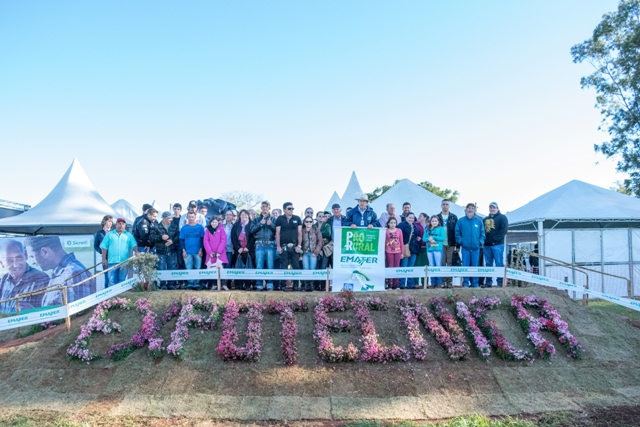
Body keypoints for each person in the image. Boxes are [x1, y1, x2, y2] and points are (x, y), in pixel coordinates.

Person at [25, 236, 96, 305]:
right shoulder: (61, 274)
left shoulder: (72, 273)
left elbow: (79, 313)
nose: (32, 262)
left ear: (45, 252)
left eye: (32, 256)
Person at [0, 240, 49, 314]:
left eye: (19, 258)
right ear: (1, 263)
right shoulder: (3, 281)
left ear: (25, 255)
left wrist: (33, 311)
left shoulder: (42, 279)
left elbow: (52, 314)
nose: (15, 265)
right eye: (9, 260)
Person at [100, 218, 139, 288]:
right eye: (119, 223)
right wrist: (103, 259)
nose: (121, 225)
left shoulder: (128, 235)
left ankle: (121, 298)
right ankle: (112, 298)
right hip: (112, 262)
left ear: (125, 225)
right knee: (111, 282)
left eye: (123, 224)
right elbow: (104, 247)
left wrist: (136, 252)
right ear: (116, 225)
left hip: (124, 263)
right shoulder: (109, 234)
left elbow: (134, 244)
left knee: (122, 281)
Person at [455, 203, 485, 288]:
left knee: (475, 266)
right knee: (466, 266)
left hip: (476, 248)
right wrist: (461, 241)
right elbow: (457, 233)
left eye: (472, 208)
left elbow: (483, 233)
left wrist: (480, 242)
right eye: (469, 208)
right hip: (465, 248)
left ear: (475, 210)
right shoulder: (461, 221)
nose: (470, 210)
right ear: (466, 210)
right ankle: (465, 283)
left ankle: (475, 283)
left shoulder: (479, 221)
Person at [250, 201, 276, 291]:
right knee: (259, 265)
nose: (264, 208)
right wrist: (260, 224)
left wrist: (271, 225)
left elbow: (278, 232)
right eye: (263, 206)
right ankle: (259, 284)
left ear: (269, 208)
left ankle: (269, 284)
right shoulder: (256, 220)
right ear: (261, 208)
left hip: (270, 245)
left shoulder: (273, 220)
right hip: (259, 245)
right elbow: (252, 230)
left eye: (266, 206)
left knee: (270, 265)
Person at [276, 202, 302, 291]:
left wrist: (299, 245)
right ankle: (282, 285)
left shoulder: (297, 218)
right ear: (284, 210)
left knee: (296, 265)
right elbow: (277, 233)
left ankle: (295, 285)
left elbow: (300, 233)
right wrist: (278, 246)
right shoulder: (280, 219)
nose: (291, 210)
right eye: (289, 208)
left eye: (292, 208)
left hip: (295, 246)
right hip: (284, 246)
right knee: (283, 266)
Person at [150, 211, 179, 290]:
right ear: (165, 218)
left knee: (172, 268)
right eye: (170, 218)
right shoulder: (156, 227)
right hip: (160, 252)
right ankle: (162, 284)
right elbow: (151, 238)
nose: (171, 219)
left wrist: (172, 241)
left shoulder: (174, 226)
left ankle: (171, 284)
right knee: (161, 268)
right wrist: (161, 237)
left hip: (172, 251)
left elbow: (178, 236)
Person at [483, 202, 509, 288]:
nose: (492, 209)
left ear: (497, 208)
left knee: (499, 263)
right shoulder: (485, 219)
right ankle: (488, 282)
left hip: (497, 245)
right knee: (488, 264)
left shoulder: (502, 218)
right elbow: (482, 231)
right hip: (487, 246)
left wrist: (494, 239)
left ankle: (500, 283)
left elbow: (503, 230)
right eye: (490, 207)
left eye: (494, 207)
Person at [180, 212, 205, 290]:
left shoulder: (200, 227)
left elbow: (202, 239)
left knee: (198, 267)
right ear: (187, 218)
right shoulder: (184, 228)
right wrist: (183, 250)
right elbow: (181, 240)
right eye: (189, 217)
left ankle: (197, 284)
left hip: (198, 251)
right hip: (187, 252)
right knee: (188, 268)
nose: (191, 218)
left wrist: (201, 249)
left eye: (192, 217)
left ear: (195, 217)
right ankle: (190, 284)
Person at [437, 199, 459, 288]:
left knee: (449, 262)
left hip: (451, 243)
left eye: (447, 204)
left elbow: (457, 232)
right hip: (440, 244)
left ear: (449, 206)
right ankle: (442, 281)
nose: (445, 206)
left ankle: (449, 282)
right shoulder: (437, 217)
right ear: (441, 205)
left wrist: (458, 245)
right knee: (442, 262)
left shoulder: (454, 217)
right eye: (443, 204)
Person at [204, 215, 229, 290]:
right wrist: (209, 252)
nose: (214, 223)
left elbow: (223, 240)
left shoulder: (221, 229)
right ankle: (214, 284)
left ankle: (223, 284)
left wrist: (219, 251)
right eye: (212, 222)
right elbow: (206, 241)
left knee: (221, 268)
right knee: (212, 268)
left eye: (215, 222)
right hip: (211, 254)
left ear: (218, 222)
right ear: (210, 223)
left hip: (220, 253)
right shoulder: (208, 230)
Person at [231, 210, 255, 291]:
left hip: (249, 250)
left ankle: (248, 284)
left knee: (249, 267)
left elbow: (253, 237)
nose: (244, 216)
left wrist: (248, 247)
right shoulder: (236, 225)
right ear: (239, 216)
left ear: (248, 216)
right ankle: (240, 284)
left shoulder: (252, 224)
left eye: (245, 215)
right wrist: (238, 248)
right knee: (239, 267)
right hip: (239, 250)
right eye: (242, 215)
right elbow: (233, 238)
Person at [398, 212, 420, 289]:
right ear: (406, 217)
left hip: (413, 248)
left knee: (411, 266)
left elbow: (416, 235)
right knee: (404, 266)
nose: (411, 219)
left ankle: (410, 284)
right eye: (410, 217)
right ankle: (402, 284)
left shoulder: (415, 226)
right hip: (405, 248)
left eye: (413, 218)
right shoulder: (402, 225)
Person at [301, 215, 322, 292]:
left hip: (313, 253)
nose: (308, 223)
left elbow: (320, 241)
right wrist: (300, 254)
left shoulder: (316, 230)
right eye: (307, 221)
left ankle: (312, 287)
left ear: (313, 222)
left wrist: (316, 252)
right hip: (304, 253)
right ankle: (306, 286)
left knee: (312, 270)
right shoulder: (302, 231)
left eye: (310, 221)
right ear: (304, 222)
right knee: (305, 269)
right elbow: (300, 242)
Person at [425, 215, 446, 288]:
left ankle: (439, 282)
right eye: (432, 221)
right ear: (430, 222)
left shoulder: (441, 229)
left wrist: (434, 237)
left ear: (438, 222)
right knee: (431, 265)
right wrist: (428, 239)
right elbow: (424, 238)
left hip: (438, 249)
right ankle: (432, 282)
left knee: (438, 265)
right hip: (429, 250)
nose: (434, 222)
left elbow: (442, 238)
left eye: (435, 221)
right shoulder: (427, 229)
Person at [94, 215, 113, 288]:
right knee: (107, 277)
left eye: (111, 221)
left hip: (114, 257)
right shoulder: (99, 233)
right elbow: (96, 245)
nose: (110, 223)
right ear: (104, 222)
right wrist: (101, 251)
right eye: (109, 221)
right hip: (105, 258)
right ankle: (107, 295)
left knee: (113, 277)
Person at [384, 217, 404, 290]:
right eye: (391, 223)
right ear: (388, 223)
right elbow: (384, 242)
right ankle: (389, 284)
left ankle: (396, 284)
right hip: (389, 251)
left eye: (394, 223)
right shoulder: (386, 231)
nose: (393, 224)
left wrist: (402, 252)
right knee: (390, 267)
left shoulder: (399, 231)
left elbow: (401, 242)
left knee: (397, 267)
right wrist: (384, 253)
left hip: (398, 251)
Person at [172, 203, 186, 272]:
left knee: (180, 261)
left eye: (178, 209)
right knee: (172, 262)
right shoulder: (170, 219)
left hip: (179, 243)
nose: (176, 210)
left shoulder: (183, 219)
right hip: (171, 243)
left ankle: (182, 280)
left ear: (180, 210)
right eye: (175, 209)